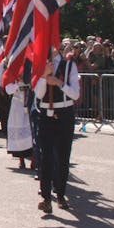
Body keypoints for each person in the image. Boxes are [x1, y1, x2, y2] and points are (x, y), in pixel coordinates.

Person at [34, 48, 80, 214]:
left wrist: (59, 83)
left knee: (62, 156)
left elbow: (75, 94)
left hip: (65, 113)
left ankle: (60, 194)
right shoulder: (41, 65)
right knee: (46, 156)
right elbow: (39, 94)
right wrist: (43, 76)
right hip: (46, 114)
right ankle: (46, 198)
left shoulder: (69, 65)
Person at [5, 60, 35, 170]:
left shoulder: (31, 70)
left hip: (29, 102)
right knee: (19, 134)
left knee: (31, 132)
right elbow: (8, 89)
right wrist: (18, 82)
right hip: (17, 105)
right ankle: (21, 160)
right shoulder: (12, 73)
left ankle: (33, 159)